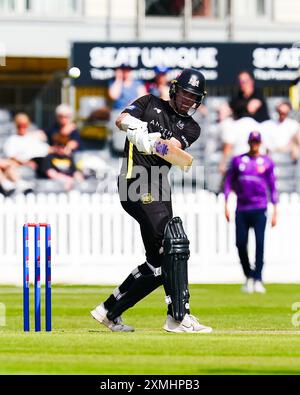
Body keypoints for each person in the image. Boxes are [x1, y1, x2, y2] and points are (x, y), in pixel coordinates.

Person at [91, 68, 213, 333]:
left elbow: (175, 151)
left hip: (160, 186)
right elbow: (121, 119)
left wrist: (152, 141)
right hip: (135, 182)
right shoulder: (148, 102)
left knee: (158, 264)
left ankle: (109, 311)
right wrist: (134, 128)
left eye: (193, 97)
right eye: (184, 94)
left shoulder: (191, 127)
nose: (187, 101)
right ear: (174, 90)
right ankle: (179, 317)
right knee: (173, 244)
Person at [224, 131, 278, 294]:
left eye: (256, 142)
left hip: (260, 208)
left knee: (260, 244)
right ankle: (248, 275)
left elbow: (273, 187)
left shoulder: (267, 162)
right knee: (240, 243)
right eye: (252, 141)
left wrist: (275, 210)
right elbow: (228, 182)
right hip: (242, 208)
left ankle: (258, 278)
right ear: (249, 142)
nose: (254, 144)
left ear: (260, 143)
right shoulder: (238, 161)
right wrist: (226, 203)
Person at [108, 64, 147, 153]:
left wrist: (132, 104)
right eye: (123, 70)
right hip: (119, 113)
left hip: (134, 113)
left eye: (128, 70)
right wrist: (119, 79)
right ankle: (118, 151)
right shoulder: (114, 82)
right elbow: (113, 96)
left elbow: (143, 97)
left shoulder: (137, 83)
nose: (126, 72)